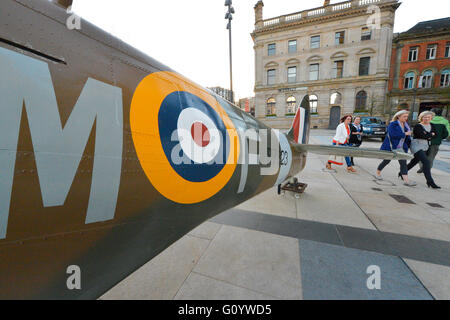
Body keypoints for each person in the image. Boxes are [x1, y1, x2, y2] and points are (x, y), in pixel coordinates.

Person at [375, 110, 416, 186]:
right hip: (391, 146)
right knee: (386, 161)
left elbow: (407, 137)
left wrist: (408, 144)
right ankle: (378, 172)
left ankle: (406, 180)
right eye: (404, 116)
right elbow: (392, 134)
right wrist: (405, 134)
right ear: (398, 116)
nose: (406, 118)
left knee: (403, 163)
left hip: (401, 147)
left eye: (407, 116)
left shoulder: (406, 125)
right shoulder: (393, 124)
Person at [407, 111, 441, 189]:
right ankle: (430, 182)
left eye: (428, 117)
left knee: (414, 161)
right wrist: (430, 135)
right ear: (421, 117)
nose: (427, 118)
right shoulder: (418, 126)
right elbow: (421, 135)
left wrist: (427, 134)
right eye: (425, 117)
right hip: (416, 145)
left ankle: (402, 172)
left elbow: (436, 135)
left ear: (431, 118)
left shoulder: (432, 125)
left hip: (425, 146)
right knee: (426, 162)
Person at [417, 108, 449, 173]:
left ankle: (422, 167)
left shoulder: (426, 119)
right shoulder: (445, 121)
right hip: (436, 142)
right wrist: (440, 138)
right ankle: (427, 169)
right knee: (431, 157)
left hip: (424, 141)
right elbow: (447, 133)